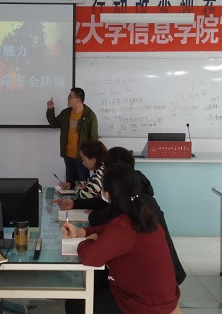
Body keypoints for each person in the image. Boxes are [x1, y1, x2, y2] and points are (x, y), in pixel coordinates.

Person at [61, 163, 182, 314]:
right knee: (97, 282)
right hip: (159, 297)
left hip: (143, 304)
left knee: (75, 305)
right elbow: (109, 228)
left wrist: (87, 241)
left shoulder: (123, 226)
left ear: (107, 193)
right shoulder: (144, 214)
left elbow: (89, 257)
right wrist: (81, 232)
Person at [46, 87, 98, 186]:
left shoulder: (89, 116)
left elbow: (94, 139)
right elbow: (54, 124)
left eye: (70, 96)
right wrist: (50, 109)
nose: (68, 99)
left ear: (78, 99)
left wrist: (91, 157)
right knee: (69, 184)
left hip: (83, 158)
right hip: (68, 156)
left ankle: (82, 202)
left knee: (83, 184)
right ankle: (70, 201)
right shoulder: (66, 113)